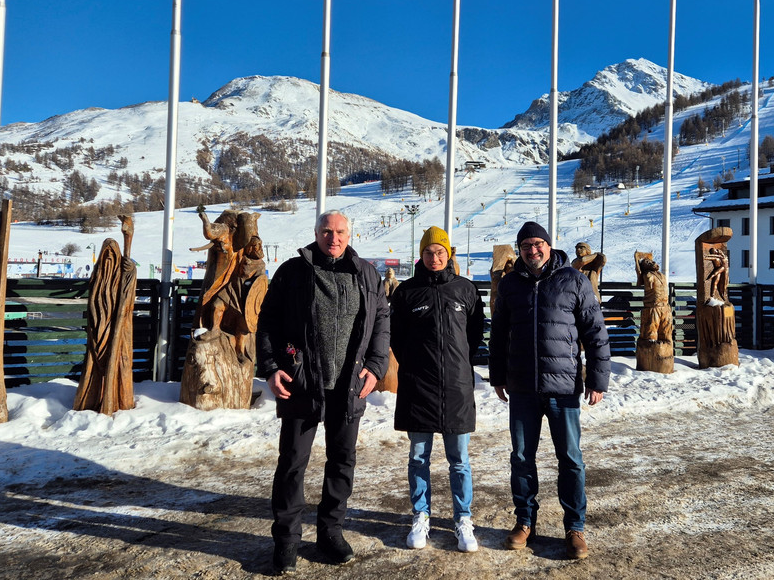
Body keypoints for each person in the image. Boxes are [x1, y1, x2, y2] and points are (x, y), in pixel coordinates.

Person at [258, 210, 390, 575]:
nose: (334, 238)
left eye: (340, 232)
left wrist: (376, 367)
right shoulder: (293, 271)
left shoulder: (365, 273)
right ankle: (286, 539)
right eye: (327, 231)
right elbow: (267, 321)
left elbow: (381, 320)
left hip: (349, 387)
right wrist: (271, 368)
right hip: (303, 384)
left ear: (350, 234)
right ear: (316, 233)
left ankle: (330, 531)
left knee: (342, 461)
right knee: (292, 464)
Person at [490, 221, 610, 560]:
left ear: (548, 245)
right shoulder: (512, 284)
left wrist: (598, 380)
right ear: (520, 250)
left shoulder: (573, 280)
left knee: (570, 459)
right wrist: (497, 376)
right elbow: (498, 335)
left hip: (564, 387)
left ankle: (575, 528)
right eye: (526, 245)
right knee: (522, 458)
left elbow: (595, 331)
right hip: (523, 388)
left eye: (537, 244)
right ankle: (525, 521)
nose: (532, 250)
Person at [390, 227, 485, 553]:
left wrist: (457, 364)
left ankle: (463, 519)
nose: (435, 257)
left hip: (457, 388)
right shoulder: (405, 293)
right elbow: (396, 339)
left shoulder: (466, 290)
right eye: (429, 252)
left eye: (440, 252)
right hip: (419, 388)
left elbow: (474, 336)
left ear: (449, 254)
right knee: (419, 458)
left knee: (459, 459)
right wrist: (418, 365)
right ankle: (421, 515)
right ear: (421, 255)